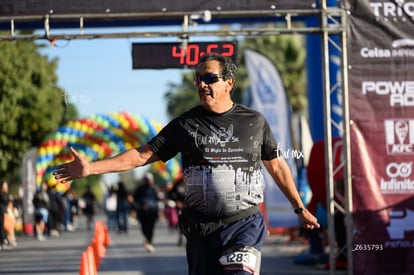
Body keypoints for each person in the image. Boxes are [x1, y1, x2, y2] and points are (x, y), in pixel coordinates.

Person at [53, 53, 319, 275]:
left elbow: (277, 167)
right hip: (201, 229)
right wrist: (91, 168)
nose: (202, 84)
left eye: (210, 78)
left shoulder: (255, 121)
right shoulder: (186, 124)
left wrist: (299, 208)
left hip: (243, 223)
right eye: (198, 79)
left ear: (229, 83)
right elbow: (142, 155)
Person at [133, 172, 160, 253]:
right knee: (144, 228)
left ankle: (149, 242)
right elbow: (135, 200)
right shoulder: (139, 189)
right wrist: (139, 206)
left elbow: (158, 200)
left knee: (151, 228)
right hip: (142, 212)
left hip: (152, 212)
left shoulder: (154, 189)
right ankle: (147, 239)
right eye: (146, 179)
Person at [0, 181, 10, 249]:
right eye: (5, 186)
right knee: (1, 226)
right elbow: (5, 201)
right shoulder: (1, 194)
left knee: (2, 226)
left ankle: (3, 241)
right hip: (0, 211)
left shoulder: (4, 194)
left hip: (2, 212)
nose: (6, 187)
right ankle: (2, 241)